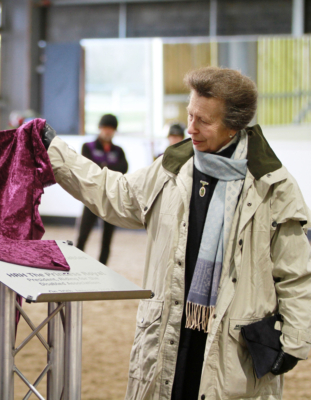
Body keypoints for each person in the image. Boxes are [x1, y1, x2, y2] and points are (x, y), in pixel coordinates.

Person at [40, 66, 311, 399]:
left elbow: (295, 273)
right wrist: (56, 152)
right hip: (168, 339)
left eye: (204, 121)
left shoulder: (274, 187)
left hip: (234, 355)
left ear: (234, 127)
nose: (191, 128)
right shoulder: (172, 167)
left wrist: (295, 341)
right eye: (190, 115)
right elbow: (117, 194)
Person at [76, 114, 128, 265]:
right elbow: (88, 167)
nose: (107, 131)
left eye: (111, 128)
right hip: (91, 198)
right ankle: (76, 266)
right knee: (82, 236)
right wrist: (110, 169)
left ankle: (102, 268)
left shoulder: (118, 151)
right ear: (100, 128)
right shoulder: (88, 147)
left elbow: (124, 168)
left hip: (110, 199)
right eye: (105, 128)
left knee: (107, 240)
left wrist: (103, 167)